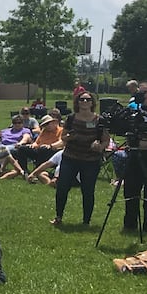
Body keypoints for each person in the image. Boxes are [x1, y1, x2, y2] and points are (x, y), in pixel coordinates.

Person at [51, 91, 110, 227]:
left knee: (88, 190)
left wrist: (99, 147)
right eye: (81, 100)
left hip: (91, 160)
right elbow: (63, 137)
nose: (84, 102)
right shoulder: (71, 118)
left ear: (92, 102)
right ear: (77, 102)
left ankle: (86, 221)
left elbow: (106, 140)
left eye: (87, 100)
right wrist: (69, 137)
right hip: (70, 158)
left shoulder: (99, 120)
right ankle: (58, 216)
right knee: (62, 187)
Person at [121, 84, 147, 234]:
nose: (141, 95)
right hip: (133, 153)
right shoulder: (133, 110)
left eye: (144, 92)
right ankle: (130, 224)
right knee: (130, 190)